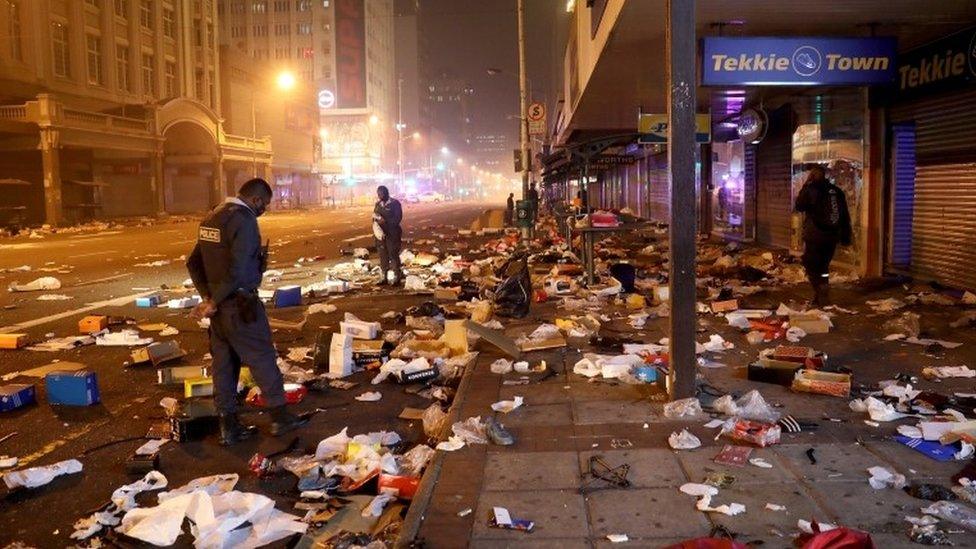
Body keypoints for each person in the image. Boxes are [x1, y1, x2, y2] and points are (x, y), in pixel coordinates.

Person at [186, 178, 307, 445]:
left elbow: (192, 262)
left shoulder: (211, 218)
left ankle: (228, 427)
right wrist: (214, 299)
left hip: (219, 314)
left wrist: (207, 297)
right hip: (241, 307)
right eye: (264, 204)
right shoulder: (244, 220)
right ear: (255, 200)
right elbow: (239, 270)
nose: (264, 209)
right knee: (262, 358)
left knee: (224, 367)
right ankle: (279, 418)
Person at [794, 165, 852, 306]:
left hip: (815, 235)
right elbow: (844, 215)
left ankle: (819, 290)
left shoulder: (811, 189)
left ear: (812, 176)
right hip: (831, 236)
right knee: (824, 265)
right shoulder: (837, 191)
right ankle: (823, 288)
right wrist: (846, 237)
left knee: (810, 264)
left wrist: (806, 185)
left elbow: (799, 205)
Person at [373, 185, 403, 285]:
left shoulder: (395, 203)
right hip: (381, 235)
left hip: (393, 234)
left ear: (386, 193)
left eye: (381, 194)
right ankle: (384, 277)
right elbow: (375, 217)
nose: (379, 196)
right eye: (378, 194)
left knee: (393, 254)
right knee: (383, 255)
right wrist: (376, 223)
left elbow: (398, 218)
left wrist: (385, 222)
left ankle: (396, 276)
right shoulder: (378, 205)